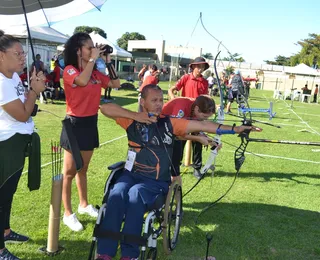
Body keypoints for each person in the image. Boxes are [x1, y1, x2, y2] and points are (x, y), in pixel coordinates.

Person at [96, 84, 261, 260]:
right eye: (154, 100)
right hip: (131, 174)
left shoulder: (170, 123)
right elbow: (105, 108)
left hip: (155, 181)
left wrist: (235, 129)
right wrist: (136, 115)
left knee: (136, 195)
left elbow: (203, 124)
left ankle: (129, 254)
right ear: (143, 102)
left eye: (161, 100)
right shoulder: (131, 120)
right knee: (117, 193)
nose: (159, 104)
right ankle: (105, 252)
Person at [60, 32, 120, 232]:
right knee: (68, 172)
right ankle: (67, 213)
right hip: (74, 124)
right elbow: (82, 82)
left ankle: (83, 204)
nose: (92, 50)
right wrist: (94, 59)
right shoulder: (69, 70)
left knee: (82, 169)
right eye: (89, 47)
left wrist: (108, 60)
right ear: (78, 50)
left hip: (90, 123)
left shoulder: (94, 72)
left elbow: (115, 84)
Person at [0, 30, 46, 260]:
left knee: (8, 193)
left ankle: (5, 231)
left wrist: (31, 90)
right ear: (1, 55)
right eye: (17, 53)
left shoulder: (13, 77)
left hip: (17, 142)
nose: (22, 57)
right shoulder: (1, 81)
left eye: (23, 53)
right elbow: (21, 114)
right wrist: (35, 93)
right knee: (1, 194)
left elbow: (25, 105)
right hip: (6, 144)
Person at [162, 95, 216, 179]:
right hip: (161, 133)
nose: (204, 119)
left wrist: (211, 142)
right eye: (204, 116)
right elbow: (177, 134)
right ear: (197, 109)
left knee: (175, 167)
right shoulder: (182, 106)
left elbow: (197, 130)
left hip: (173, 135)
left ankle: (175, 186)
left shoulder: (196, 109)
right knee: (166, 167)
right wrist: (199, 139)